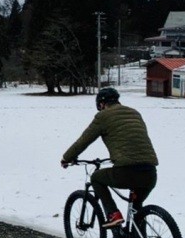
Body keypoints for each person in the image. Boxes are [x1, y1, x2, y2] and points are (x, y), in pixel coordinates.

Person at [61, 87, 158, 228]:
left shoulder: (103, 116)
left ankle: (113, 214)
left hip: (127, 172)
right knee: (137, 208)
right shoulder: (134, 113)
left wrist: (67, 158)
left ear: (101, 104)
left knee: (96, 178)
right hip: (150, 173)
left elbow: (84, 141)